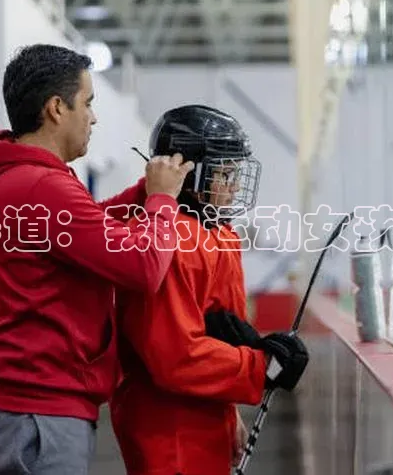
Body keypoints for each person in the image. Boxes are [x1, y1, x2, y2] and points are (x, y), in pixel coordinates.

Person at [0, 43, 194, 474]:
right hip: (37, 416)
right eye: (87, 102)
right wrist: (162, 200)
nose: (93, 116)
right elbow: (143, 267)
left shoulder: (20, 180)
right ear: (56, 108)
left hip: (27, 410)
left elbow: (85, 227)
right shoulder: (40, 187)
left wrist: (142, 193)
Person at [109, 104, 310, 475]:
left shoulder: (221, 235)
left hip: (205, 417)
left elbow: (220, 333)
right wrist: (259, 367)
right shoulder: (170, 239)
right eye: (225, 173)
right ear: (190, 175)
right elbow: (174, 357)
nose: (234, 186)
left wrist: (229, 408)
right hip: (169, 428)